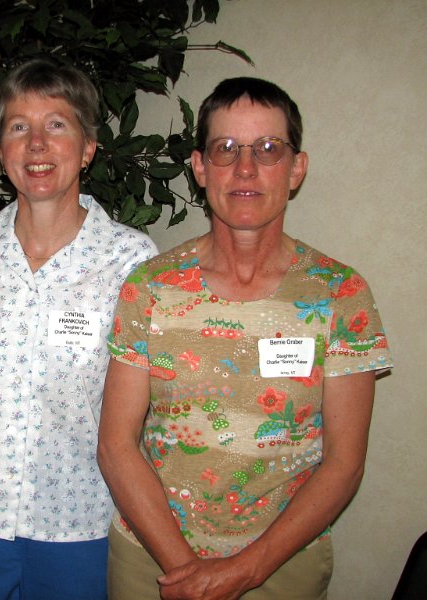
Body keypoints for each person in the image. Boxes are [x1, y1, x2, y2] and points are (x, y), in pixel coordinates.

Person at [97, 76, 393, 600]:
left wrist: (243, 572)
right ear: (200, 166)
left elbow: (345, 463)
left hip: (281, 567)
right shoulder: (149, 287)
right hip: (154, 565)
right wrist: (187, 570)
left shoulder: (341, 295)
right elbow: (117, 446)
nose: (246, 168)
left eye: (268, 149)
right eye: (226, 149)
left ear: (296, 167)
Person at [0, 58, 158, 600]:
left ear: (89, 147)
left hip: (79, 522)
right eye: (18, 127)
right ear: (1, 150)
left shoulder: (130, 260)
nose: (36, 144)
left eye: (56, 124)